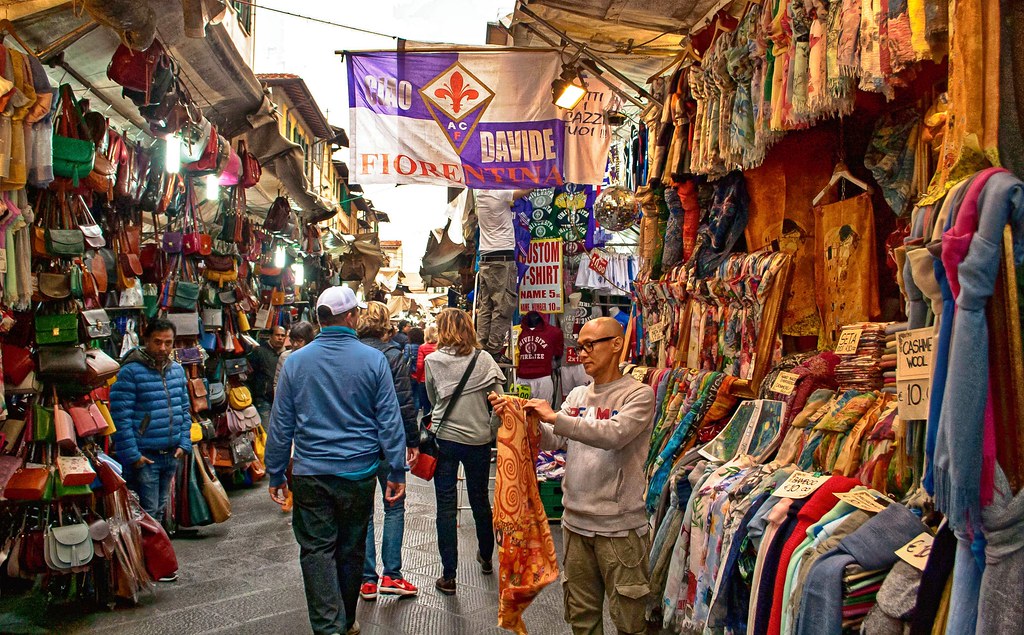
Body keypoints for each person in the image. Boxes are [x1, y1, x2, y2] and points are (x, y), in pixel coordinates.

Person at [490, 317, 656, 635]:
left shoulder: (638, 395)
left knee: (629, 620)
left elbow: (615, 434)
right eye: (579, 347)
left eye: (590, 345)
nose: (582, 353)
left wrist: (555, 418)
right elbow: (556, 440)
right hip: (575, 525)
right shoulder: (577, 396)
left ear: (617, 344)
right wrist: (520, 417)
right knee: (581, 617)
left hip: (620, 530)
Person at [266, 287, 407, 635]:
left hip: (311, 472)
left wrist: (275, 473)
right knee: (351, 548)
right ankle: (344, 620)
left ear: (320, 319)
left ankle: (329, 627)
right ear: (351, 317)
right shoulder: (373, 360)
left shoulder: (295, 362)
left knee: (316, 550)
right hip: (358, 472)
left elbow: (281, 422)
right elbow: (389, 419)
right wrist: (396, 468)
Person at [423, 308, 505, 595]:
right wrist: (489, 427)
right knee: (480, 499)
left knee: (445, 506)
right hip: (479, 441)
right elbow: (500, 402)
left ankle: (449, 575)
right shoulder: (485, 360)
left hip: (444, 440)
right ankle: (485, 556)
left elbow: (433, 400)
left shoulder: (432, 361)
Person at [356, 302, 420, 600]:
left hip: (359, 442)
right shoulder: (394, 356)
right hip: (388, 443)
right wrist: (413, 441)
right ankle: (392, 575)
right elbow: (405, 404)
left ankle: (367, 579)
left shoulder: (352, 354)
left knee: (364, 511)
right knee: (394, 505)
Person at [110, 318, 191, 535]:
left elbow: (184, 409)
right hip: (146, 456)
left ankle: (155, 562)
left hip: (171, 453)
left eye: (168, 343)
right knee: (147, 514)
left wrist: (184, 443)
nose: (163, 348)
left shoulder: (177, 371)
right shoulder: (131, 372)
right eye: (157, 342)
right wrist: (133, 456)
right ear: (146, 340)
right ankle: (148, 563)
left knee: (158, 510)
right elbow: (120, 418)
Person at [474, 188, 531, 363]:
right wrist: (541, 178)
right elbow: (524, 190)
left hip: (486, 257)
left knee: (486, 305)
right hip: (502, 258)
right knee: (504, 305)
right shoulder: (498, 193)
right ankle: (494, 349)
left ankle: (481, 345)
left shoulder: (480, 195)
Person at [515, 310, 564, 405]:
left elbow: (558, 353)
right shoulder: (520, 332)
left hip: (543, 378)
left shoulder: (554, 332)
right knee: (520, 411)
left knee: (543, 412)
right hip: (522, 379)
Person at [248, 324, 286, 424]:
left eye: (283, 335)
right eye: (277, 335)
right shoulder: (260, 352)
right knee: (265, 433)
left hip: (282, 400)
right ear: (270, 336)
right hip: (264, 399)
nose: (280, 338)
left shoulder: (287, 355)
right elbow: (251, 375)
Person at [273, 321, 317, 394]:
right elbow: (277, 383)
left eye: (300, 341)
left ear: (308, 341)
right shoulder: (285, 357)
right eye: (293, 341)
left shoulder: (316, 357)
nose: (295, 344)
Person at [413, 325, 437, 417]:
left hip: (424, 379)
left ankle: (427, 427)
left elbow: (419, 365)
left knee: (426, 407)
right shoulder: (440, 347)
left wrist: (418, 378)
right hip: (438, 379)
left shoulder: (422, 347)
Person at [403, 327, 424, 415]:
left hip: (410, 374)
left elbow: (405, 359)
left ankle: (412, 415)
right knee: (417, 396)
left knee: (411, 396)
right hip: (420, 375)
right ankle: (417, 411)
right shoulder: (422, 346)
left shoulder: (408, 346)